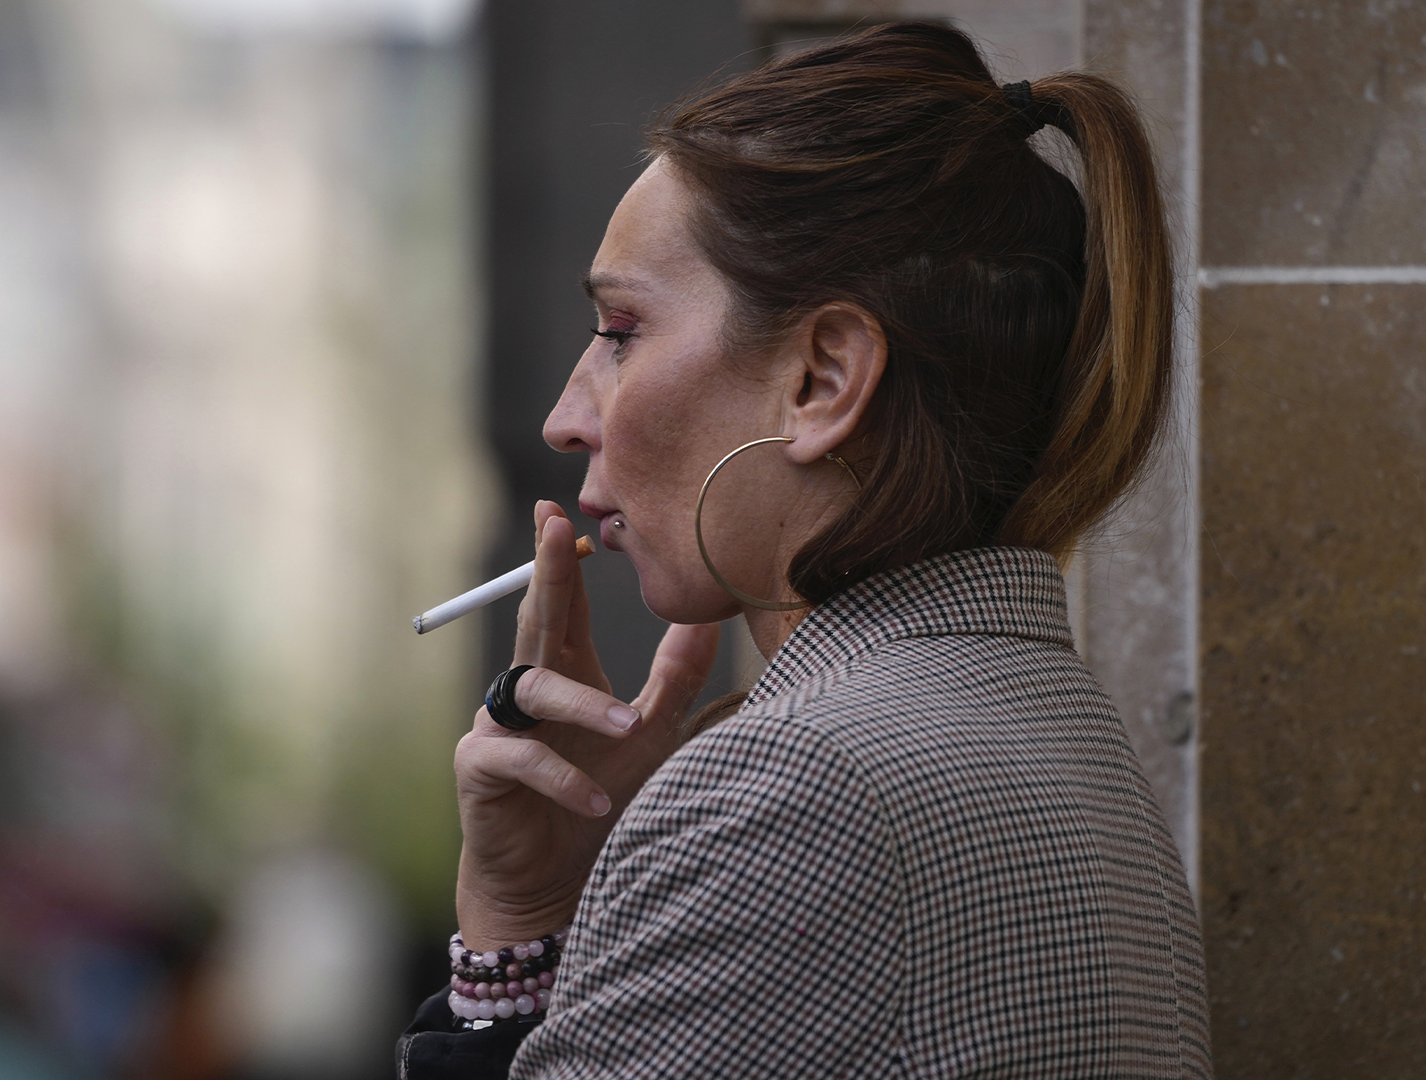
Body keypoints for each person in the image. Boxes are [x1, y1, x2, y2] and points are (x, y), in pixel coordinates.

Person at [396, 21, 1209, 1080]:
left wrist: (517, 942)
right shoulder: (1072, 743)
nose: (564, 416)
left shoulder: (790, 786)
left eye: (622, 331)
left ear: (823, 379)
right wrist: (536, 916)